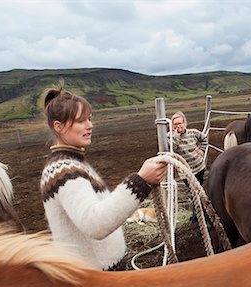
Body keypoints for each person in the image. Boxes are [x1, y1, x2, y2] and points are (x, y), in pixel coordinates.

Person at [40, 84, 166, 271]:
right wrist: (141, 182)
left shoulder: (71, 165)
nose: (90, 125)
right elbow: (96, 224)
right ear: (58, 126)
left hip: (100, 277)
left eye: (89, 119)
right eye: (80, 121)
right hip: (97, 282)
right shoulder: (64, 172)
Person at [168, 111, 208, 186]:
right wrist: (176, 136)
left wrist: (202, 150)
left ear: (184, 123)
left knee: (200, 186)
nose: (178, 126)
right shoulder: (169, 137)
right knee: (193, 190)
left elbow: (204, 138)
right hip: (185, 172)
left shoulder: (193, 132)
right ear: (172, 126)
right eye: (175, 124)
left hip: (199, 167)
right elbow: (172, 148)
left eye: (180, 123)